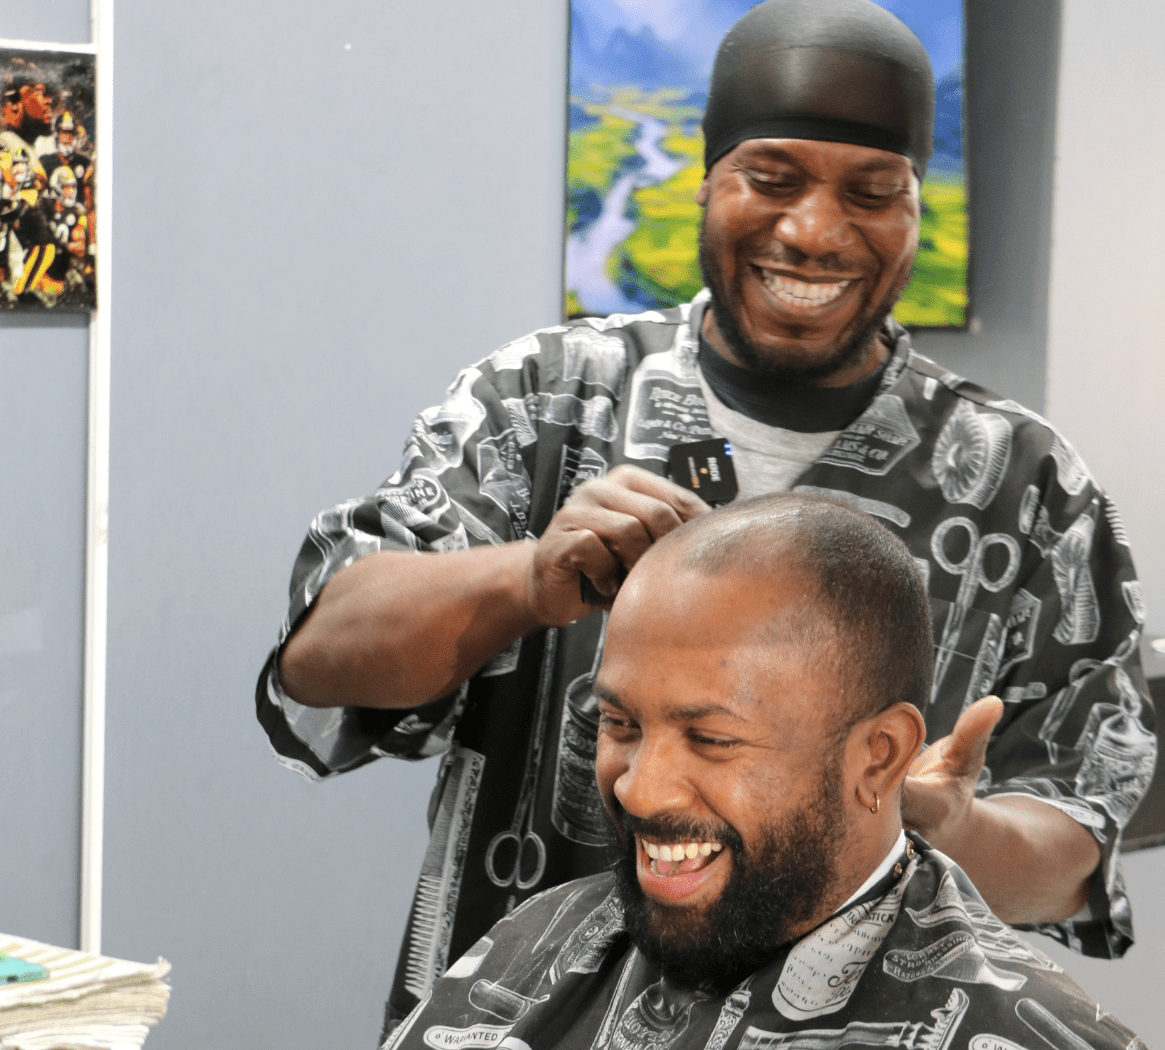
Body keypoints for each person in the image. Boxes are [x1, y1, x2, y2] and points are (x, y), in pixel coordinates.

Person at [255, 0, 1155, 1032]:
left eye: (870, 192)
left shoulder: (1022, 487)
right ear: (705, 180)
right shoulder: (544, 404)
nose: (813, 231)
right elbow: (319, 663)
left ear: (916, 206)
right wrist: (519, 579)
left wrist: (953, 830)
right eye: (770, 179)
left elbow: (1076, 843)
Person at [381, 495, 1145, 1050]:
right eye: (619, 724)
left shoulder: (1030, 1034)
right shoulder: (539, 942)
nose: (638, 789)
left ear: (877, 755)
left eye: (710, 739)